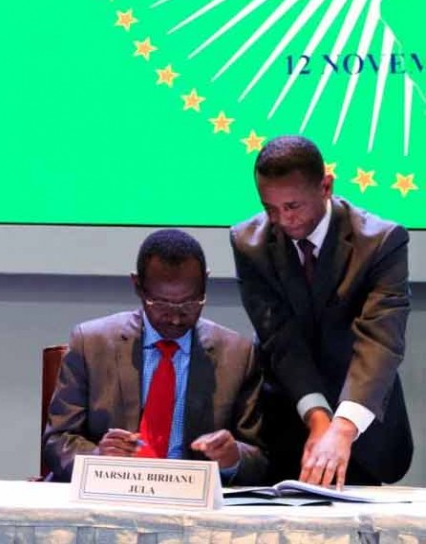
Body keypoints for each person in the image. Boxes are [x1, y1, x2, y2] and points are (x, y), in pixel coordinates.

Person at [231, 134, 412, 488]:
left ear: (326, 186)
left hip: (363, 426)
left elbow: (380, 341)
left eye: (293, 206)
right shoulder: (248, 242)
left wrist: (341, 428)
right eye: (270, 208)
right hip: (289, 421)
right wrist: (317, 418)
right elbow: (280, 340)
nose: (282, 220)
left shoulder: (381, 242)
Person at [43, 229, 267, 485]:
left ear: (205, 283)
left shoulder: (238, 354)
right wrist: (97, 458)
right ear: (138, 286)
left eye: (190, 304)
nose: (175, 318)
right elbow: (57, 440)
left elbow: (259, 458)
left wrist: (233, 457)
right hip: (111, 495)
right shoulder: (91, 343)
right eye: (160, 304)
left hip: (190, 503)